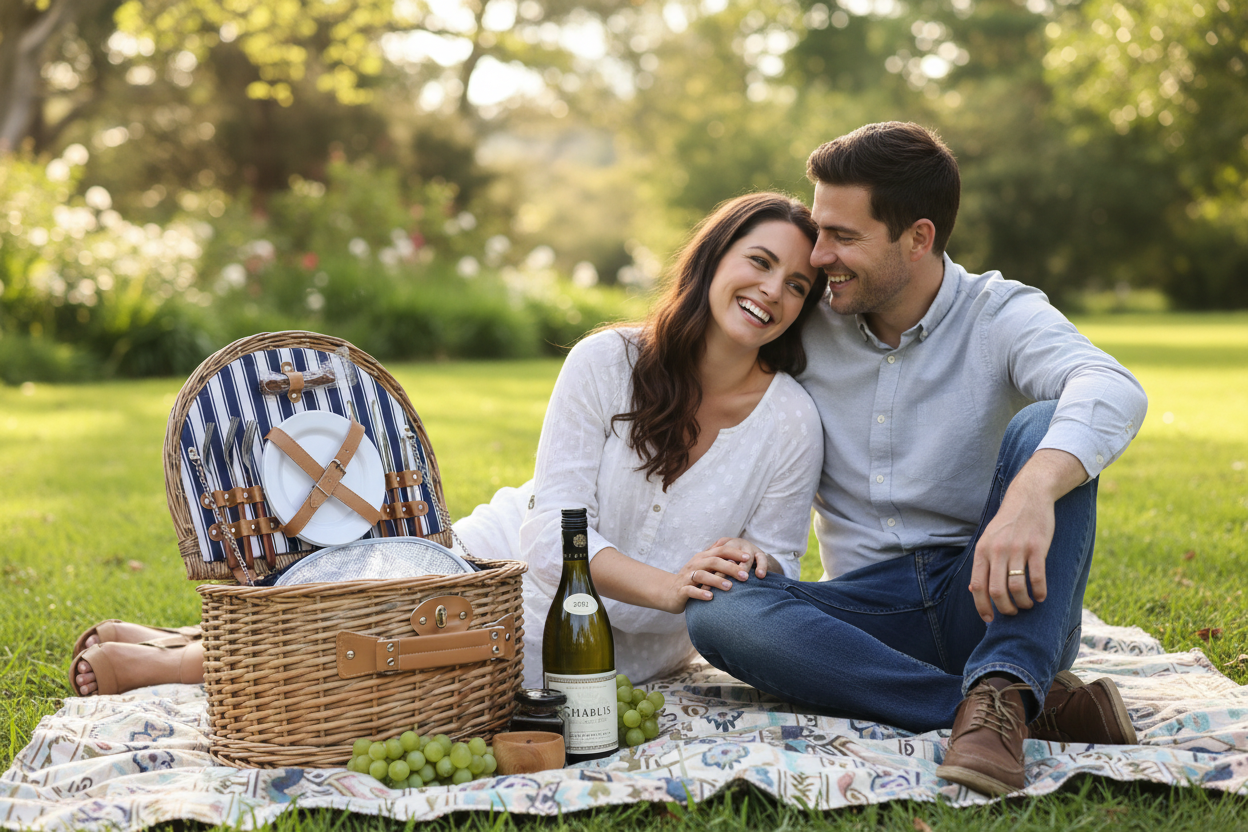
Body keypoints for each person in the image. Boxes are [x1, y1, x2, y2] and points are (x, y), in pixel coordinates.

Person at [70, 192, 829, 696]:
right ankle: (189, 658)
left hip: (631, 655)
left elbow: (779, 567)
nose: (773, 291)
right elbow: (549, 535)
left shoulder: (792, 420)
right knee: (379, 631)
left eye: (798, 284)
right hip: (507, 573)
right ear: (713, 263)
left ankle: (190, 644)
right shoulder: (607, 362)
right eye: (760, 262)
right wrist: (668, 584)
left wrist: (747, 568)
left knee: (400, 672)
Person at [684, 122, 1149, 798]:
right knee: (717, 611)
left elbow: (1112, 387)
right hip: (867, 618)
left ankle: (1005, 677)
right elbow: (712, 346)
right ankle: (1005, 708)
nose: (817, 257)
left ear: (919, 238)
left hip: (992, 595)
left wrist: (1030, 495)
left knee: (1052, 426)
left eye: (843, 237)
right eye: (819, 231)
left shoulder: (999, 313)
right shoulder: (809, 316)